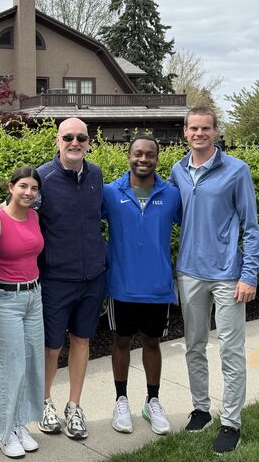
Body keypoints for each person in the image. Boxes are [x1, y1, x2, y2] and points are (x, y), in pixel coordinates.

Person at [169, 106, 259, 455]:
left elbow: (250, 227)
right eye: (193, 128)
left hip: (227, 276)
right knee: (193, 345)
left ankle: (231, 423)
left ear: (216, 131)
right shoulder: (177, 170)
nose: (199, 134)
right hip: (189, 272)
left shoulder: (237, 170)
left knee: (230, 350)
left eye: (205, 128)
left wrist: (248, 274)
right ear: (185, 132)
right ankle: (200, 409)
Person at [102, 136, 181, 437]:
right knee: (121, 341)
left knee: (152, 342)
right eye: (138, 154)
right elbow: (80, 217)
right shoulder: (110, 192)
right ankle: (120, 400)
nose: (143, 159)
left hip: (157, 285)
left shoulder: (171, 194)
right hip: (122, 284)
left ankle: (152, 401)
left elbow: (196, 223)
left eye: (150, 155)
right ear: (129, 156)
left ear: (157, 159)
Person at [35, 117, 106, 441]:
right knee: (52, 347)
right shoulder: (42, 177)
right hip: (56, 279)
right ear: (57, 141)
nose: (74, 142)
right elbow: (15, 211)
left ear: (89, 142)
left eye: (80, 137)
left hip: (92, 277)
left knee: (82, 341)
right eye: (68, 137)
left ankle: (74, 406)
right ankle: (44, 402)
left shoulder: (96, 175)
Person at [0, 166, 45, 458]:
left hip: (33, 297)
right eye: (23, 186)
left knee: (30, 363)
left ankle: (20, 424)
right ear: (11, 187)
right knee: (10, 368)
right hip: (5, 299)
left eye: (34, 188)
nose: (28, 192)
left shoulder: (34, 216)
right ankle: (4, 432)